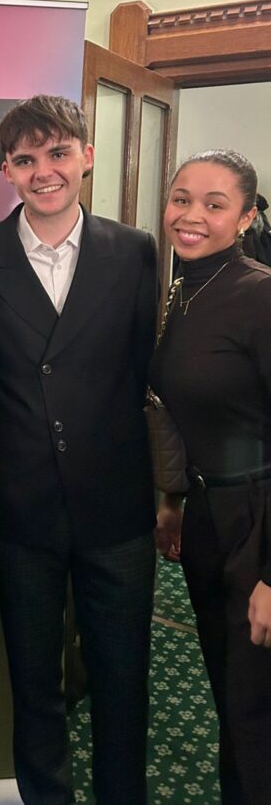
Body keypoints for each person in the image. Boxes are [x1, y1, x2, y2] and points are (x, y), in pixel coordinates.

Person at [0, 95, 158, 805]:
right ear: (6, 169)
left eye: (58, 153)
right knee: (34, 680)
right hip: (19, 503)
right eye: (27, 159)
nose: (45, 171)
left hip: (116, 503)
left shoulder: (133, 250)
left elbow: (139, 370)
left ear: (86, 157)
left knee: (123, 675)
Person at [151, 149, 271, 805]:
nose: (191, 215)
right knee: (231, 697)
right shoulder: (181, 286)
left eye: (215, 203)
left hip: (259, 522)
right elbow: (175, 408)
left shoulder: (260, 293)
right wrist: (172, 502)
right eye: (181, 198)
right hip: (205, 517)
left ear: (247, 216)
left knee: (257, 710)